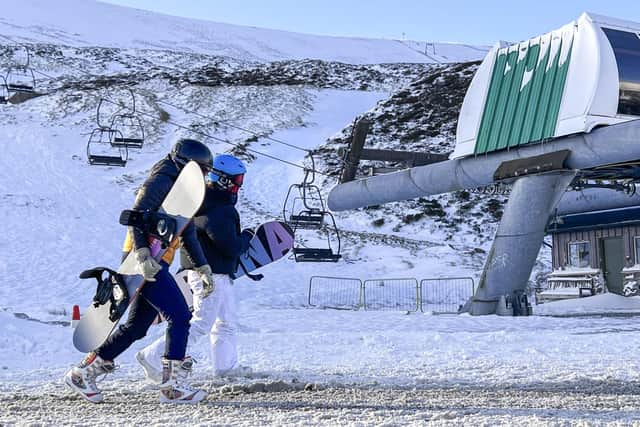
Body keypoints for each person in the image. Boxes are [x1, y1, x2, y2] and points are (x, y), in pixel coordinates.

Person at [64, 139, 218, 404]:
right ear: (188, 166)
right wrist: (142, 254)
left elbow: (188, 230)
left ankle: (83, 374)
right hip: (144, 260)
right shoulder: (161, 180)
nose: (204, 177)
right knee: (180, 316)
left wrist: (202, 266)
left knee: (136, 327)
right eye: (202, 171)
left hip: (159, 260)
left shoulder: (183, 190)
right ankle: (172, 388)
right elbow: (136, 216)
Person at [136, 153, 254, 381]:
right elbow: (229, 246)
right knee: (201, 323)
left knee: (226, 322)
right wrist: (247, 238)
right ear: (224, 180)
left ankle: (225, 369)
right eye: (238, 180)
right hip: (210, 273)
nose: (239, 186)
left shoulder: (203, 200)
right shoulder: (219, 208)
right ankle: (152, 355)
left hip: (213, 271)